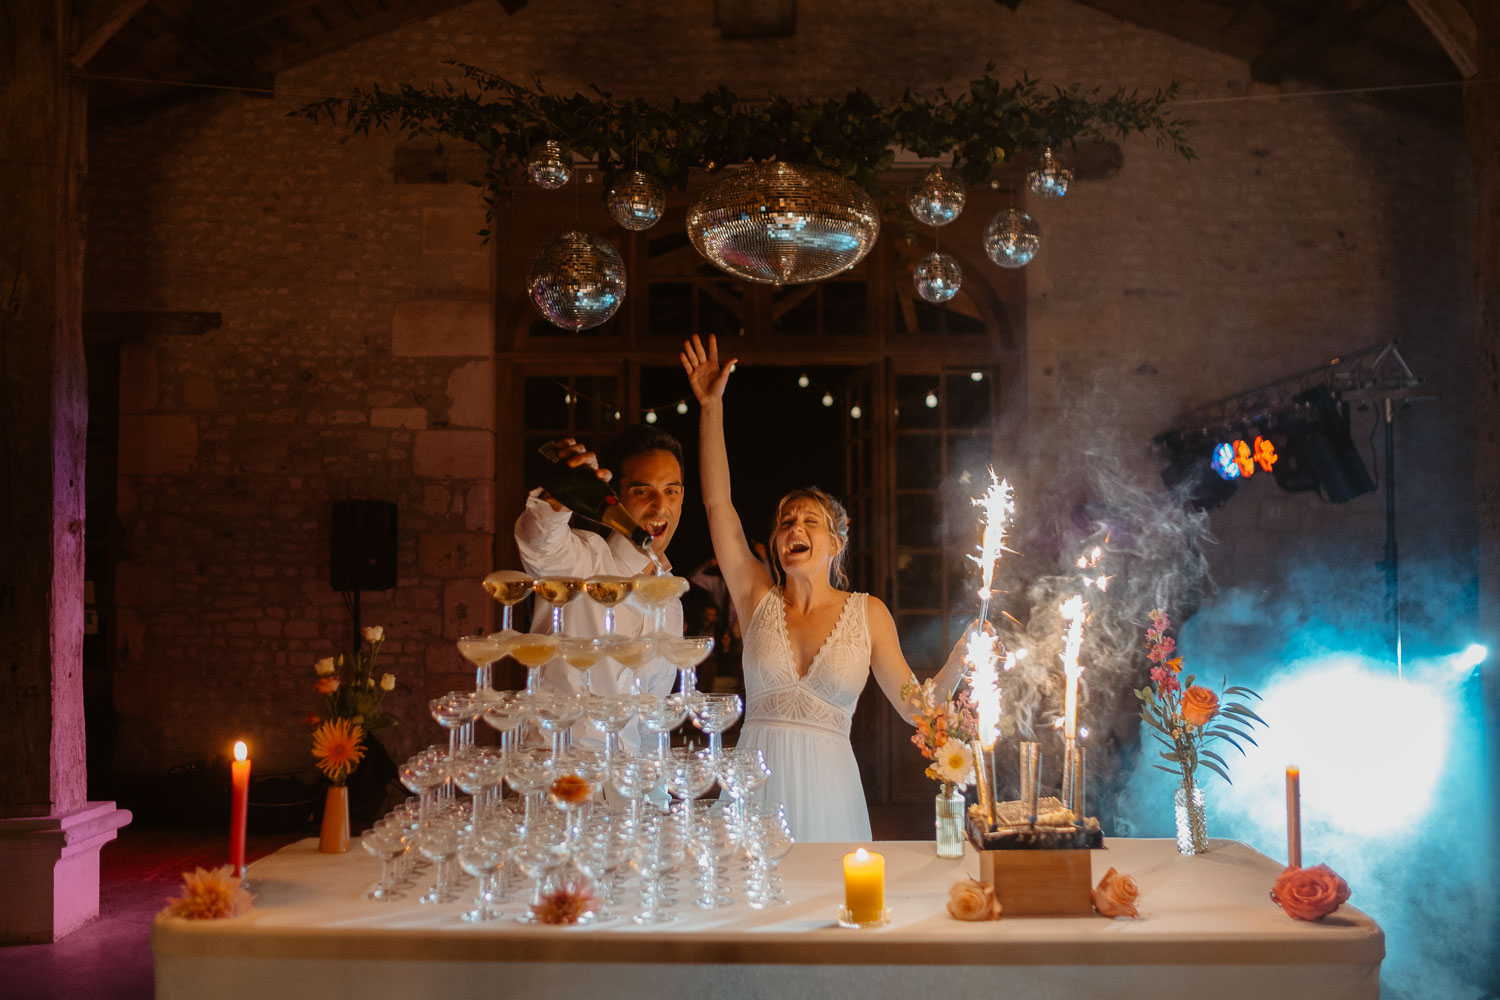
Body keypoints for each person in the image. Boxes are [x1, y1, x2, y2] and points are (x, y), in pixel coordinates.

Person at [681, 334, 973, 842]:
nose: (794, 527)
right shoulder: (755, 597)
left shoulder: (868, 614)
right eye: (785, 521)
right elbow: (716, 505)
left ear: (835, 542)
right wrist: (711, 407)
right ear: (774, 542)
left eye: (809, 521)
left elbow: (916, 710)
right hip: (756, 785)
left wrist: (961, 659)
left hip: (831, 790)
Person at [513, 424, 686, 750]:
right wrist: (559, 497)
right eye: (642, 491)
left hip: (626, 786)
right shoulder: (584, 560)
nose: (659, 505)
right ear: (617, 497)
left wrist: (656, 796)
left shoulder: (672, 602)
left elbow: (651, 724)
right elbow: (541, 546)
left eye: (671, 491)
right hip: (559, 774)